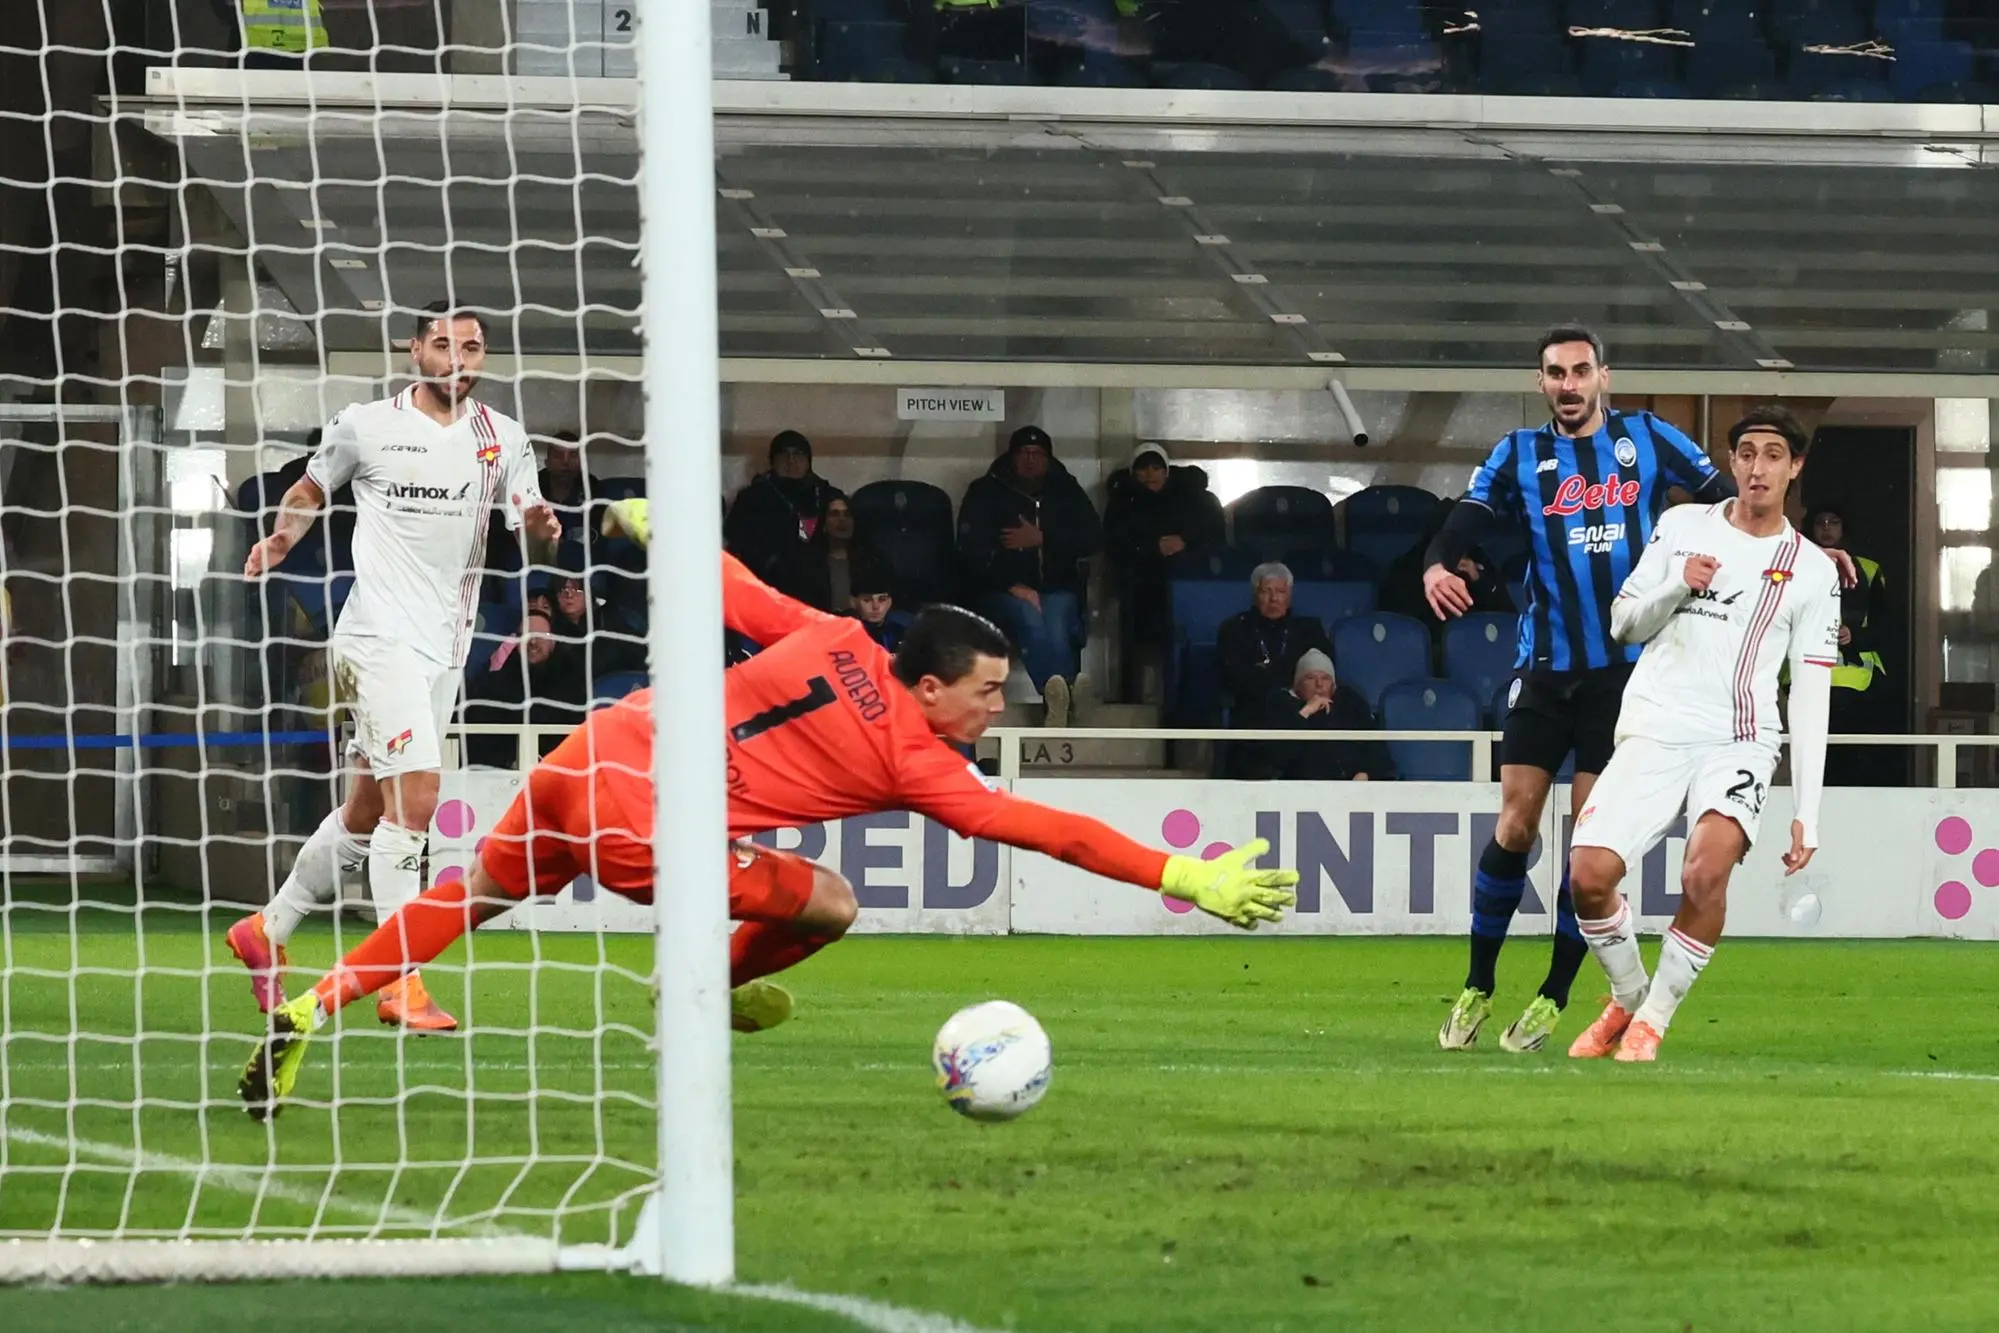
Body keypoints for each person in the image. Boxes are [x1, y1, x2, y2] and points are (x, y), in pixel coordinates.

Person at [239, 522, 1298, 1117]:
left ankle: (309, 1011)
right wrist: (1182, 875)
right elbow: (1048, 832)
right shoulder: (915, 757)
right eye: (984, 690)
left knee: (468, 896)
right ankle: (695, 992)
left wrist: (664, 528)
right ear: (928, 688)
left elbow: (725, 582)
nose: (996, 705)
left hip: (586, 756)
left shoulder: (834, 632)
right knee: (831, 902)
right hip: (646, 815)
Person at [226, 303, 561, 1033]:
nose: (458, 356)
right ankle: (399, 980)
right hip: (373, 640)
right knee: (418, 801)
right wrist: (283, 538)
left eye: (470, 345)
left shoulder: (502, 439)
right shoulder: (366, 424)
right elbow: (308, 490)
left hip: (444, 647)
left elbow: (533, 530)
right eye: (443, 343)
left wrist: (541, 531)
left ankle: (267, 929)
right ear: (414, 351)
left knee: (366, 813)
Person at [1424, 324, 1739, 1056]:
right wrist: (1437, 563)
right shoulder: (1518, 453)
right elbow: (1466, 517)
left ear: (1603, 375)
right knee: (1514, 825)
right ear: (1540, 383)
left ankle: (1551, 996)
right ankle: (1476, 983)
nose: (1567, 384)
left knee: (1584, 846)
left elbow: (1727, 500)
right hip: (1544, 669)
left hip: (1624, 680)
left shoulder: (1648, 438)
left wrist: (1799, 551)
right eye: (1553, 374)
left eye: (1578, 371)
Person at [1565, 407, 1837, 1063]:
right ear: (1732, 462)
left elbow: (1810, 690)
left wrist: (1807, 812)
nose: (1757, 467)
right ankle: (1627, 994)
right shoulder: (1681, 527)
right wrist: (1673, 587)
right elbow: (1623, 622)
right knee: (1586, 876)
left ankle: (1651, 1021)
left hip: (1738, 739)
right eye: (1746, 453)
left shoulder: (1810, 570)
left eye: (1773, 454)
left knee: (1703, 872)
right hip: (1653, 728)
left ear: (1793, 468)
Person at [958, 426, 1102, 727]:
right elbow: (969, 552)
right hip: (1000, 590)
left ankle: (1061, 699)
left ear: (1048, 458)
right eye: (1024, 453)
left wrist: (1043, 538)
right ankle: (1062, 694)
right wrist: (1014, 586)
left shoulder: (1066, 490)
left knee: (1058, 617)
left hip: (1057, 587)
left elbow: (1092, 539)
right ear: (1012, 456)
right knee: (1028, 615)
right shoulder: (986, 491)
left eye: (1037, 454)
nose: (1030, 459)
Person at [1104, 443, 1225, 698]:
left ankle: (1184, 695)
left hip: (1189, 580)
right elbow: (1113, 543)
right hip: (1139, 581)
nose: (1150, 474)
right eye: (1143, 468)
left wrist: (1185, 542)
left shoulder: (1195, 498)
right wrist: (1151, 548)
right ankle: (1130, 697)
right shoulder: (1122, 502)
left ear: (1167, 470)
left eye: (1156, 468)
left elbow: (1214, 536)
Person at [1805, 504, 1889, 787]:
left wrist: (1855, 635)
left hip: (1858, 680)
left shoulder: (1868, 569)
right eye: (1821, 522)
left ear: (1844, 527)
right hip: (1806, 679)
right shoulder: (1795, 564)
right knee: (1811, 761)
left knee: (1854, 760)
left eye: (1834, 522)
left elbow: (1886, 625)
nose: (1827, 528)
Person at [461, 611, 590, 767]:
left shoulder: (572, 688)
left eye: (541, 635)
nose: (533, 642)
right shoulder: (491, 686)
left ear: (553, 643)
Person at [1233, 649, 1384, 782]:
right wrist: (1305, 712)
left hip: (1355, 791)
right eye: (1310, 678)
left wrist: (1367, 773)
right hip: (1302, 793)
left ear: (1333, 685)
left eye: (1325, 678)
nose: (1319, 684)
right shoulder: (1280, 704)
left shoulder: (1350, 702)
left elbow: (1376, 748)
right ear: (1297, 685)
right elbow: (1273, 757)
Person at [1216, 563, 1333, 731]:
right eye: (1266, 591)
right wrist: (1292, 674)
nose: (1274, 599)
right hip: (1256, 712)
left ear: (1290, 595)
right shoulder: (1234, 629)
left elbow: (1324, 671)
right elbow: (1236, 678)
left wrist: (1264, 671)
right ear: (1255, 594)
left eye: (1281, 592)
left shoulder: (1309, 629)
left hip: (1304, 707)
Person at [724, 430, 840, 586]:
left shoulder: (826, 494)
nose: (791, 461)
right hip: (768, 584)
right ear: (773, 460)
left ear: (808, 460)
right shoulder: (753, 497)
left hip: (817, 583)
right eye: (783, 455)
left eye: (798, 454)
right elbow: (737, 540)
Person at [1381, 499, 1513, 627]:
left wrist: (1478, 580)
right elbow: (1399, 621)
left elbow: (1507, 617)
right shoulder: (1406, 567)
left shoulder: (1479, 560)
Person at [777, 493, 880, 614]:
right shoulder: (806, 562)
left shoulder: (871, 560)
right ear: (824, 523)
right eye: (834, 514)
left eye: (847, 514)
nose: (842, 520)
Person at [849, 559, 911, 652]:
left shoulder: (903, 633)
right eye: (867, 600)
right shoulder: (845, 636)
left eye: (882, 599)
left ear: (889, 602)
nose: (876, 606)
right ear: (853, 602)